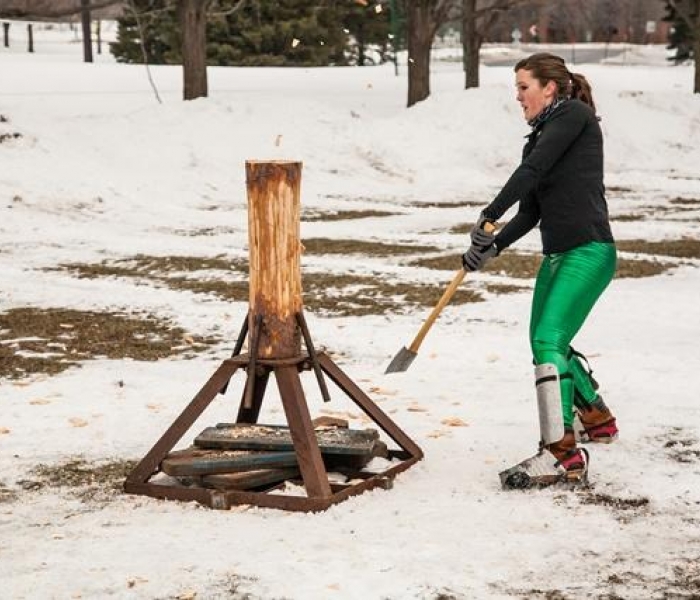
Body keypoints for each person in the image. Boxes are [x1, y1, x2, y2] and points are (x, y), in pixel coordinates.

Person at [462, 53, 618, 490]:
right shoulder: (539, 137)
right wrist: (493, 246)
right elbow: (531, 210)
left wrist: (489, 214)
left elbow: (531, 172)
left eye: (523, 87)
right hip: (558, 256)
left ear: (549, 87)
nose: (518, 96)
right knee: (544, 342)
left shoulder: (573, 116)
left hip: (589, 251)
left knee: (549, 340)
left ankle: (561, 452)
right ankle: (597, 418)